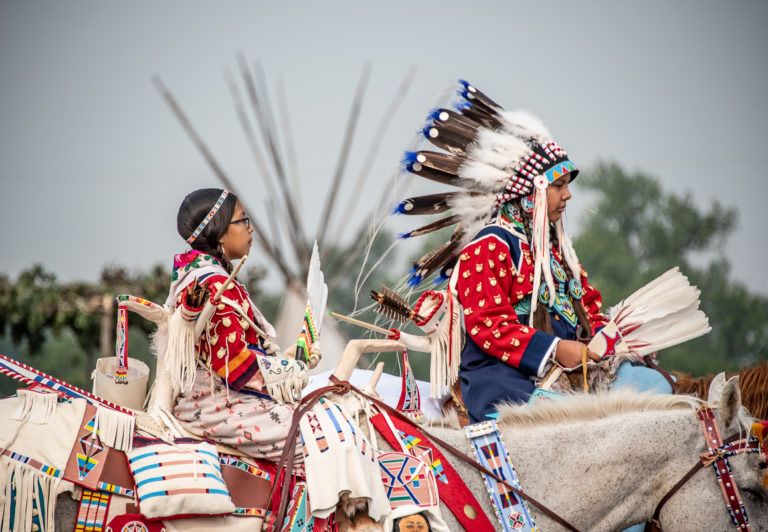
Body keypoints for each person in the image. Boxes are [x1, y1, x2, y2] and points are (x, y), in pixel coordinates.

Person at [393, 81, 669, 423]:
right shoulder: (489, 246)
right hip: (504, 376)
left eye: (567, 186)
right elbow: (488, 324)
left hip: (575, 369)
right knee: (552, 422)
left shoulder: (557, 252)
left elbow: (588, 309)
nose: (568, 195)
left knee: (653, 387)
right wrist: (555, 349)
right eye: (558, 185)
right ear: (530, 192)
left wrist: (611, 340)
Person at [168, 188, 307, 461]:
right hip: (217, 407)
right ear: (220, 232)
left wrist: (287, 360)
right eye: (243, 220)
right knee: (324, 436)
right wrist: (286, 371)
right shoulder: (213, 284)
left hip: (217, 402)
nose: (250, 228)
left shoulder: (197, 275)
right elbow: (233, 364)